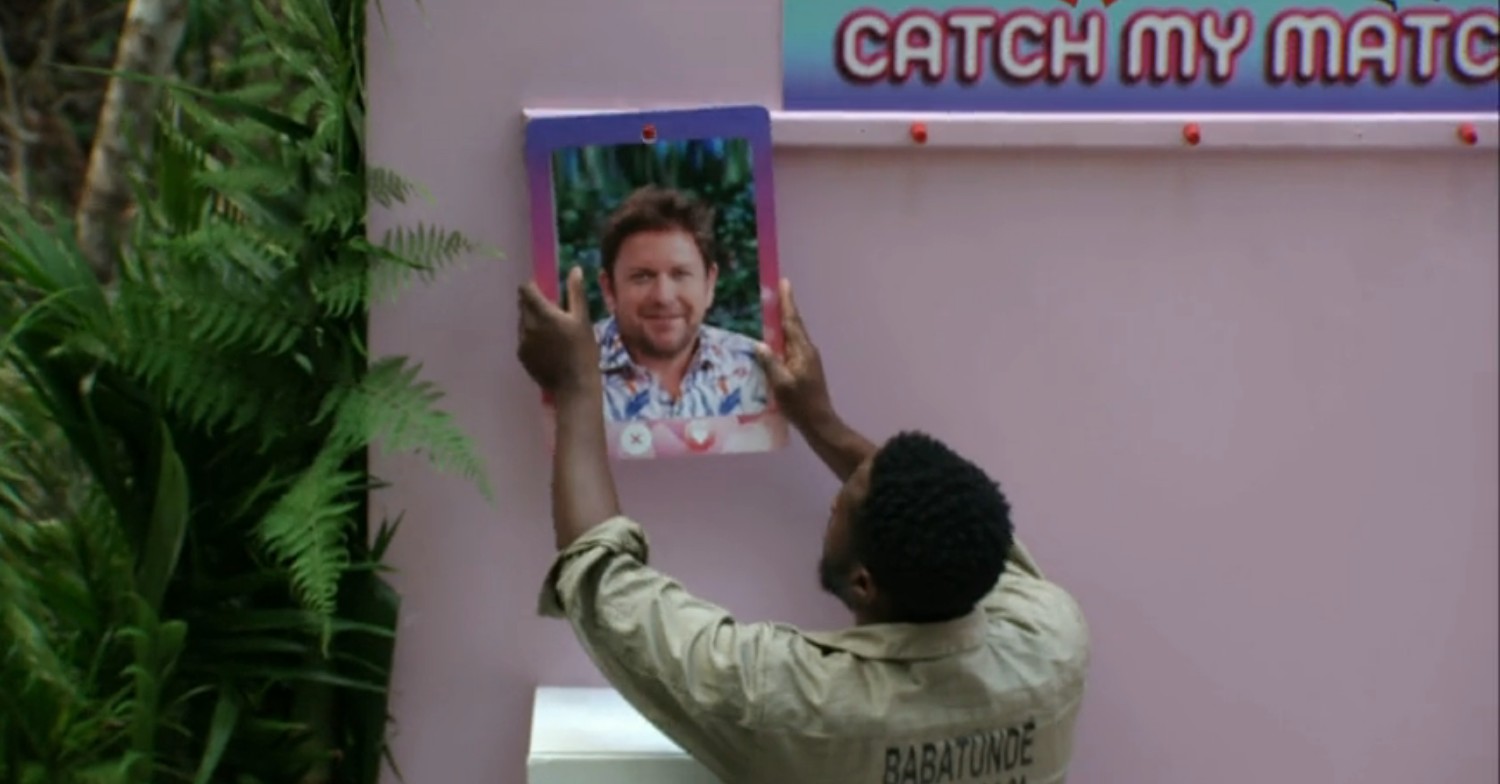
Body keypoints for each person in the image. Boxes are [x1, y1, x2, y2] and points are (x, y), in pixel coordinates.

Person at [517, 270, 1091, 783]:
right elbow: (960, 526)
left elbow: (602, 577)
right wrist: (819, 419)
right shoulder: (1052, 646)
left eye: (844, 503)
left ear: (864, 582)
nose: (834, 500)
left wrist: (575, 387)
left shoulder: (795, 702)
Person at [589, 185, 767, 422]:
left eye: (680, 274)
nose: (663, 296)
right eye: (642, 276)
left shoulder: (757, 369)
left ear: (709, 283)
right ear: (609, 288)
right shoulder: (567, 372)